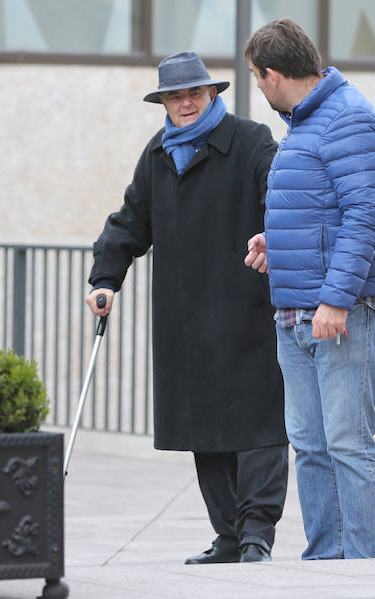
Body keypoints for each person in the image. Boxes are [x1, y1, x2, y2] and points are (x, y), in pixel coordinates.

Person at [86, 51, 288, 564]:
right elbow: (130, 221)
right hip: (186, 318)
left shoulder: (251, 141)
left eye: (193, 93)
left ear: (212, 94)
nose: (185, 103)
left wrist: (273, 234)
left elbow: (281, 198)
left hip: (246, 310)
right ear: (163, 104)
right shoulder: (158, 153)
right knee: (207, 430)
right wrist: (105, 277)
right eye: (174, 97)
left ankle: (256, 534)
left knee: (259, 425)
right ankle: (228, 537)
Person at [244, 19, 375, 559]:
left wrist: (335, 299)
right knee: (311, 447)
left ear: (272, 73)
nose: (258, 89)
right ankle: (327, 565)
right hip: (297, 313)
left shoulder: (348, 117)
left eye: (255, 78)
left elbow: (366, 216)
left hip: (346, 312)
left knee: (347, 444)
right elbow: (325, 210)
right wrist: (279, 242)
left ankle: (366, 568)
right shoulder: (306, 122)